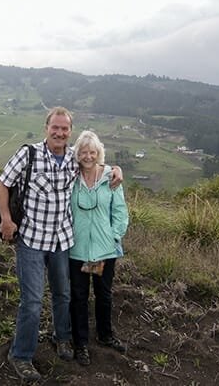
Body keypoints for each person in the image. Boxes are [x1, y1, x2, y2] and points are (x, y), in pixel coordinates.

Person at [0, 107, 122, 382]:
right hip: (31, 240)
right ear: (46, 128)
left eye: (65, 129)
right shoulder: (29, 154)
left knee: (63, 294)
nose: (60, 133)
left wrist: (116, 170)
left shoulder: (74, 158)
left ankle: (62, 337)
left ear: (70, 132)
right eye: (55, 127)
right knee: (32, 301)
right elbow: (2, 184)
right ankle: (21, 355)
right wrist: (6, 219)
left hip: (62, 241)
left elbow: (95, 162)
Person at [69, 130, 129, 366]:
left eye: (92, 152)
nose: (88, 156)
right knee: (79, 297)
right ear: (77, 154)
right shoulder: (70, 177)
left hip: (104, 251)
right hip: (77, 250)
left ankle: (105, 335)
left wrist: (113, 237)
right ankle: (81, 343)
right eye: (83, 152)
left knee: (103, 295)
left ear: (99, 153)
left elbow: (120, 211)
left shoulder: (110, 178)